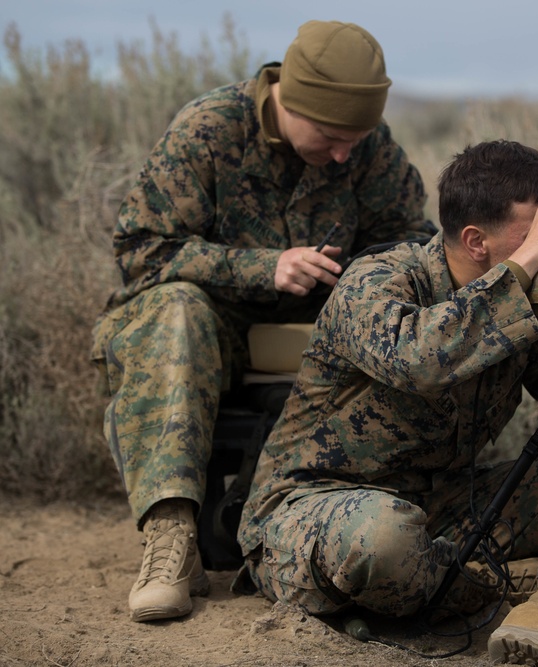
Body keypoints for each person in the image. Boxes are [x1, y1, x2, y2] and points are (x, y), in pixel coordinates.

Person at [237, 139, 538, 666]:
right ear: (475, 241)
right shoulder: (378, 280)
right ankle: (490, 582)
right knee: (385, 540)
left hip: (449, 504)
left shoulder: (530, 299)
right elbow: (420, 357)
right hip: (315, 506)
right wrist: (530, 261)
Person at [90, 20, 436, 623]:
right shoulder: (210, 129)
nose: (343, 154)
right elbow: (142, 250)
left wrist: (358, 281)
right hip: (206, 323)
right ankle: (171, 542)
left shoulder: (369, 149)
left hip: (313, 327)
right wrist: (264, 268)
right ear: (290, 101)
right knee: (176, 311)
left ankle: (322, 533)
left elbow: (411, 243)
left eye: (356, 139)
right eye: (330, 137)